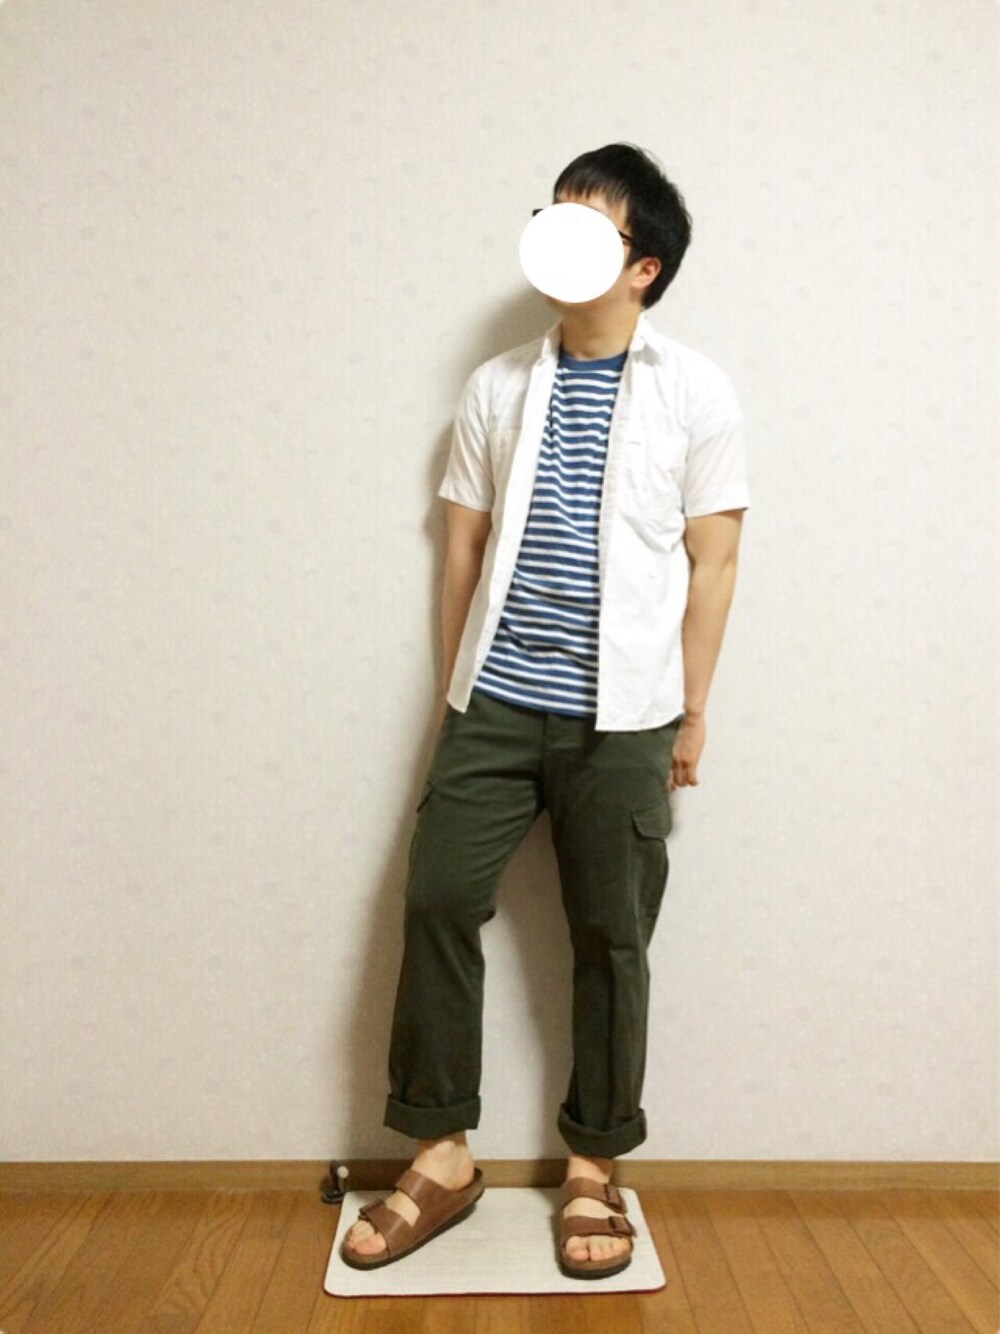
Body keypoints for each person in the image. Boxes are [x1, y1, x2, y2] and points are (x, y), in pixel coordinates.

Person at [342, 142, 750, 1278]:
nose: (556, 236)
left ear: (643, 265)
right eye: (550, 213)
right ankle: (441, 1154)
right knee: (437, 896)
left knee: (612, 937)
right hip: (495, 702)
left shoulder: (696, 391)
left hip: (626, 718)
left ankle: (593, 1165)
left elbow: (715, 563)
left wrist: (694, 711)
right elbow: (460, 551)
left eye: (589, 223)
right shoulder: (497, 388)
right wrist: (455, 694)